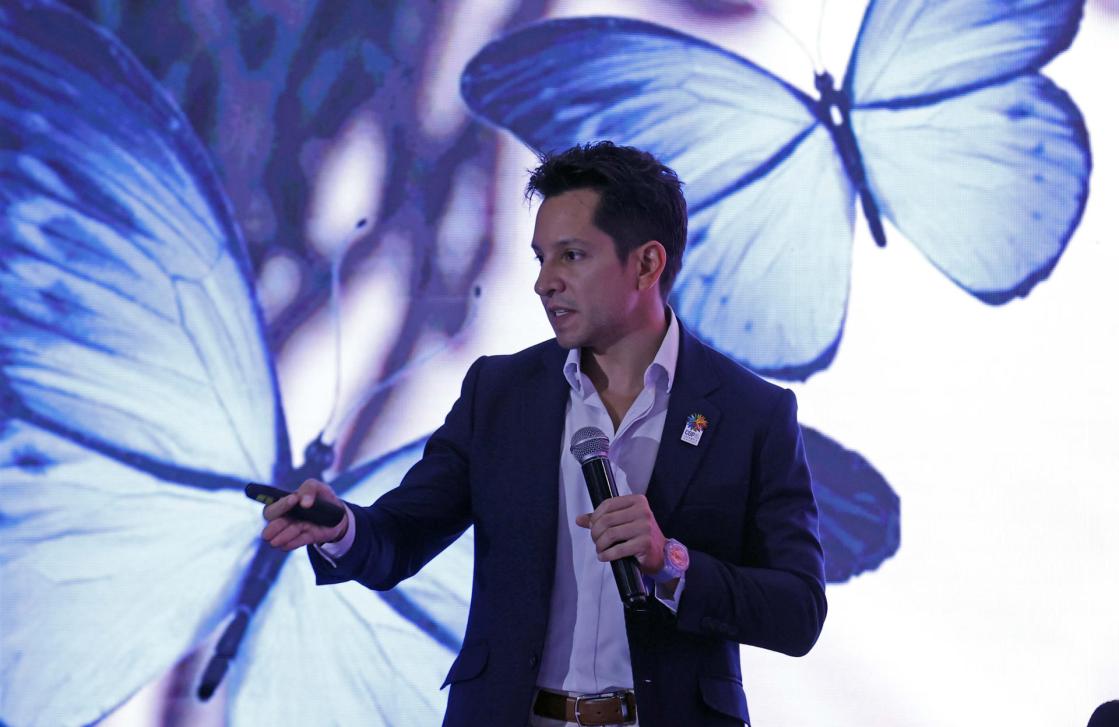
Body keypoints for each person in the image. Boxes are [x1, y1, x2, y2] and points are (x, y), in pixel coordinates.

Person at [262, 141, 826, 726]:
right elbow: (399, 537)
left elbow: (798, 611)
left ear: (647, 264)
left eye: (572, 256)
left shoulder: (750, 413)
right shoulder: (501, 394)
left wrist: (671, 562)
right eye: (540, 259)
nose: (544, 283)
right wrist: (339, 526)